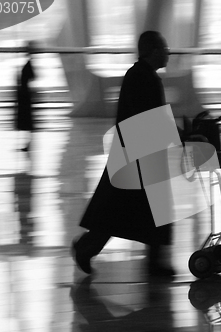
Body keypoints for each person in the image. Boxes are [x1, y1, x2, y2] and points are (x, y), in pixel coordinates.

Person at [71, 31, 175, 277]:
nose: (168, 53)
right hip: (136, 158)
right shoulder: (141, 78)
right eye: (164, 48)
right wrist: (181, 133)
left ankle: (153, 262)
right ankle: (85, 248)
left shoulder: (142, 76)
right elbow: (150, 118)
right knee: (120, 211)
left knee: (131, 211)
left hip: (141, 155)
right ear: (153, 51)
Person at [15, 41, 36, 152]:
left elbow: (33, 77)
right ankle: (27, 143)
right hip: (25, 93)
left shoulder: (29, 64)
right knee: (26, 120)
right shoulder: (29, 63)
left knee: (26, 120)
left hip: (25, 94)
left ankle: (28, 144)